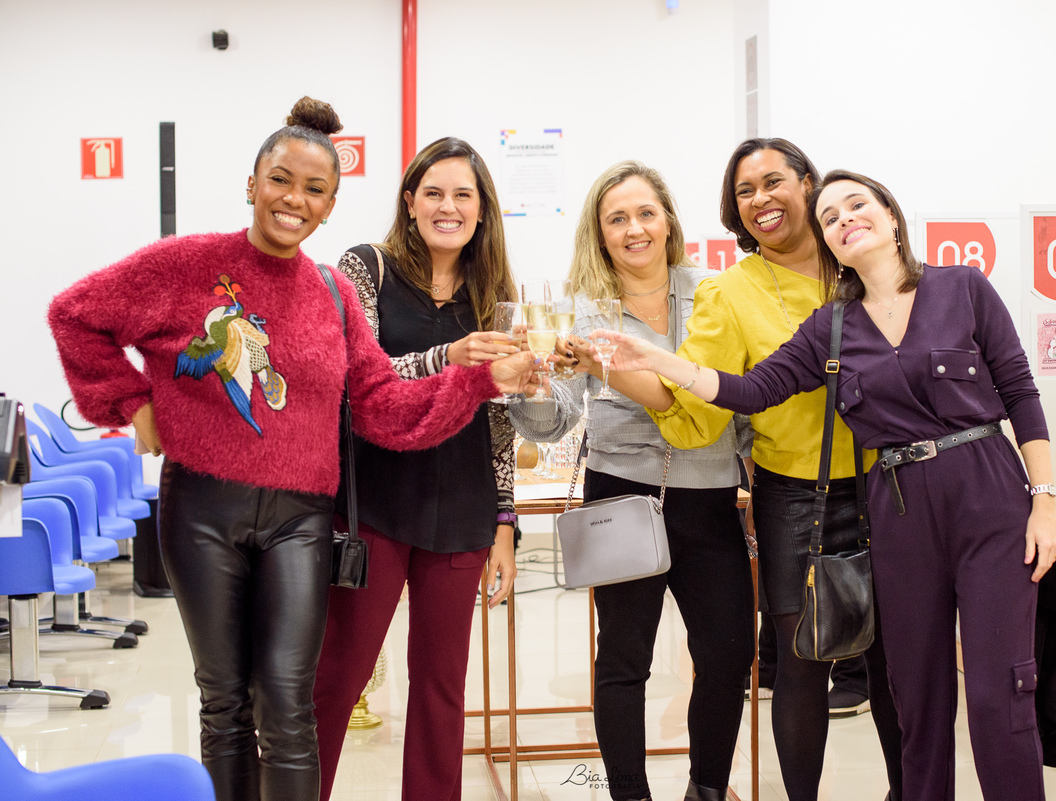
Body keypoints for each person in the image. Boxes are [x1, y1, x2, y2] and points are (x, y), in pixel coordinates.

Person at [46, 98, 534, 801]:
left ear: (331, 205)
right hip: (202, 511)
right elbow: (76, 314)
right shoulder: (187, 264)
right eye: (281, 180)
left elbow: (386, 411)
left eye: (314, 190)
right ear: (252, 183)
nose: (293, 200)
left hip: (302, 520)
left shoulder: (333, 294)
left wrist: (480, 378)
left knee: (290, 703)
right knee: (225, 704)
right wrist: (129, 402)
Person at [598, 169, 1056, 801]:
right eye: (832, 218)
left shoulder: (964, 289)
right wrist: (656, 359)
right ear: (829, 243)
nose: (846, 220)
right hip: (897, 510)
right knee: (916, 693)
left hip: (990, 498)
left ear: (891, 215)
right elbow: (750, 390)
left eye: (857, 205)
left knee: (995, 689)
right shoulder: (832, 328)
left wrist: (1044, 501)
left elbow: (1020, 392)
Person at [595, 140, 903, 801]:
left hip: (892, 482)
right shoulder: (728, 293)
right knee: (793, 665)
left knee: (897, 659)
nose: (761, 198)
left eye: (773, 182)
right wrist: (628, 371)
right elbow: (703, 405)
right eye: (744, 191)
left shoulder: (862, 265)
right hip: (795, 494)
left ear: (807, 185)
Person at [508, 161, 755, 801]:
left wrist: (755, 477)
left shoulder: (717, 294)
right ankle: (629, 794)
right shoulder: (581, 313)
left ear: (669, 220)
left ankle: (706, 788)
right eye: (617, 218)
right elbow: (555, 419)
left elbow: (745, 398)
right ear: (600, 232)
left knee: (728, 656)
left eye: (645, 213)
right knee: (623, 660)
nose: (634, 229)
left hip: (710, 502)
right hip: (621, 498)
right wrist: (530, 385)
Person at [312, 137, 524, 801]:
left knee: (441, 689)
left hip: (462, 506)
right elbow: (358, 379)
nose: (448, 206)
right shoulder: (365, 268)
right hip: (371, 503)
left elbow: (499, 417)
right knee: (336, 678)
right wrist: (452, 357)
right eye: (433, 192)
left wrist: (505, 520)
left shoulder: (496, 293)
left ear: (483, 210)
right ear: (409, 201)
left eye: (464, 194)